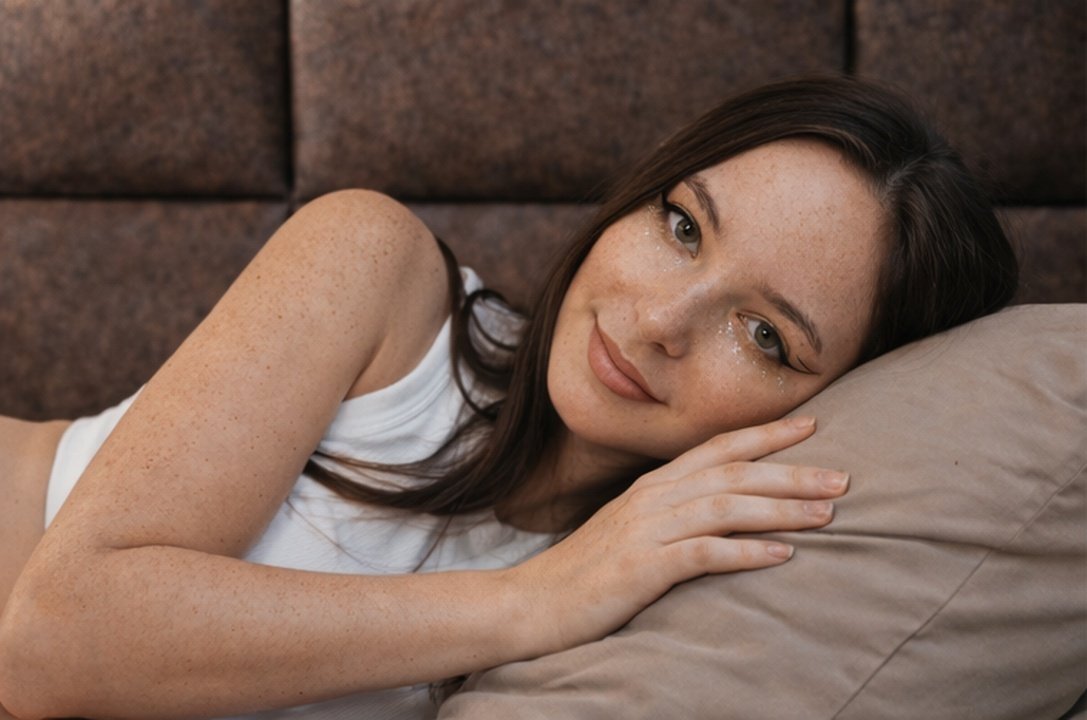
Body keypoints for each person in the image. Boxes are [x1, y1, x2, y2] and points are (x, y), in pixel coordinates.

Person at [0, 76, 1017, 719]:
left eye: (764, 336)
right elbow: (52, 637)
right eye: (682, 227)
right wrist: (537, 599)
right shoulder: (377, 268)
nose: (660, 319)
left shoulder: (678, 607)